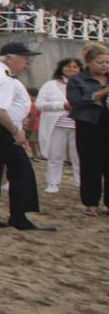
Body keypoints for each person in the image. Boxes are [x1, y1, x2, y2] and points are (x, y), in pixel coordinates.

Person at [0, 42, 53, 232]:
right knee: (21, 170)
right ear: (9, 58)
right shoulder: (2, 77)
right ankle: (19, 217)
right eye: (24, 58)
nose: (27, 63)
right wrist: (16, 131)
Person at [68, 42, 109, 217]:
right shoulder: (77, 80)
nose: (104, 65)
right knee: (90, 164)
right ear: (89, 62)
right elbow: (76, 102)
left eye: (107, 62)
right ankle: (91, 203)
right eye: (100, 62)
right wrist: (102, 93)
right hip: (89, 125)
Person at [37, 58, 82, 195]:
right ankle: (53, 183)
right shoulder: (50, 85)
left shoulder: (84, 85)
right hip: (57, 125)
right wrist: (61, 105)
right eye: (68, 66)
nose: (72, 69)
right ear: (61, 68)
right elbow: (39, 104)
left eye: (75, 67)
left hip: (78, 125)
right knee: (55, 155)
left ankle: (80, 182)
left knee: (79, 156)